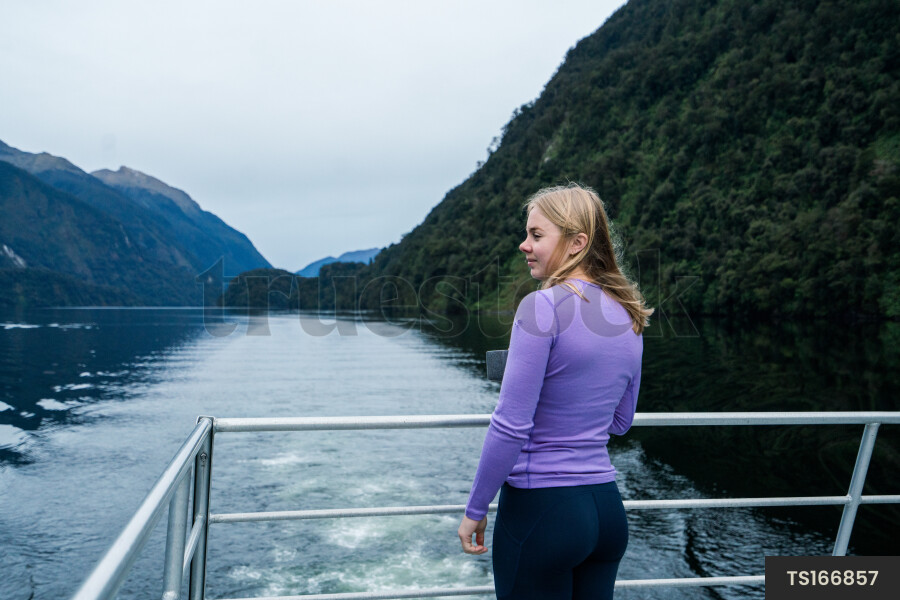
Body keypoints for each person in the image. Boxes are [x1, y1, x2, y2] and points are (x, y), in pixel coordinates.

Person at [458, 183, 653, 600]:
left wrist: (476, 509)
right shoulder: (628, 314)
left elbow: (510, 425)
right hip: (606, 512)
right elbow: (621, 422)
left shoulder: (540, 307)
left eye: (536, 235)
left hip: (543, 513)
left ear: (577, 243)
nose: (524, 244)